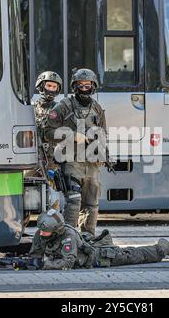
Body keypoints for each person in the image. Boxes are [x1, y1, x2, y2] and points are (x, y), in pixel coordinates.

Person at [43, 68, 108, 237]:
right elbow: (48, 131)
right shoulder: (64, 106)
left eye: (88, 85)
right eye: (81, 85)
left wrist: (102, 152)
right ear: (75, 86)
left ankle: (87, 238)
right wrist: (73, 136)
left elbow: (103, 133)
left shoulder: (97, 108)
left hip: (92, 163)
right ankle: (69, 238)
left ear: (93, 86)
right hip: (71, 161)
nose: (84, 88)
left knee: (91, 204)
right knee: (73, 201)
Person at [10, 209, 169, 270]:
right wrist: (26, 262)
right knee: (130, 253)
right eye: (40, 231)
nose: (41, 234)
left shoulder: (67, 236)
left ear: (56, 231)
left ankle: (162, 248)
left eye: (45, 232)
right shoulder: (42, 232)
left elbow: (68, 263)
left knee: (132, 255)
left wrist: (42, 265)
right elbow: (36, 254)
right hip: (85, 256)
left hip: (99, 258)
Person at [34, 71, 63, 170]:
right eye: (49, 85)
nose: (51, 89)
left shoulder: (60, 109)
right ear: (41, 86)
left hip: (53, 159)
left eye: (54, 87)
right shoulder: (30, 108)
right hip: (33, 158)